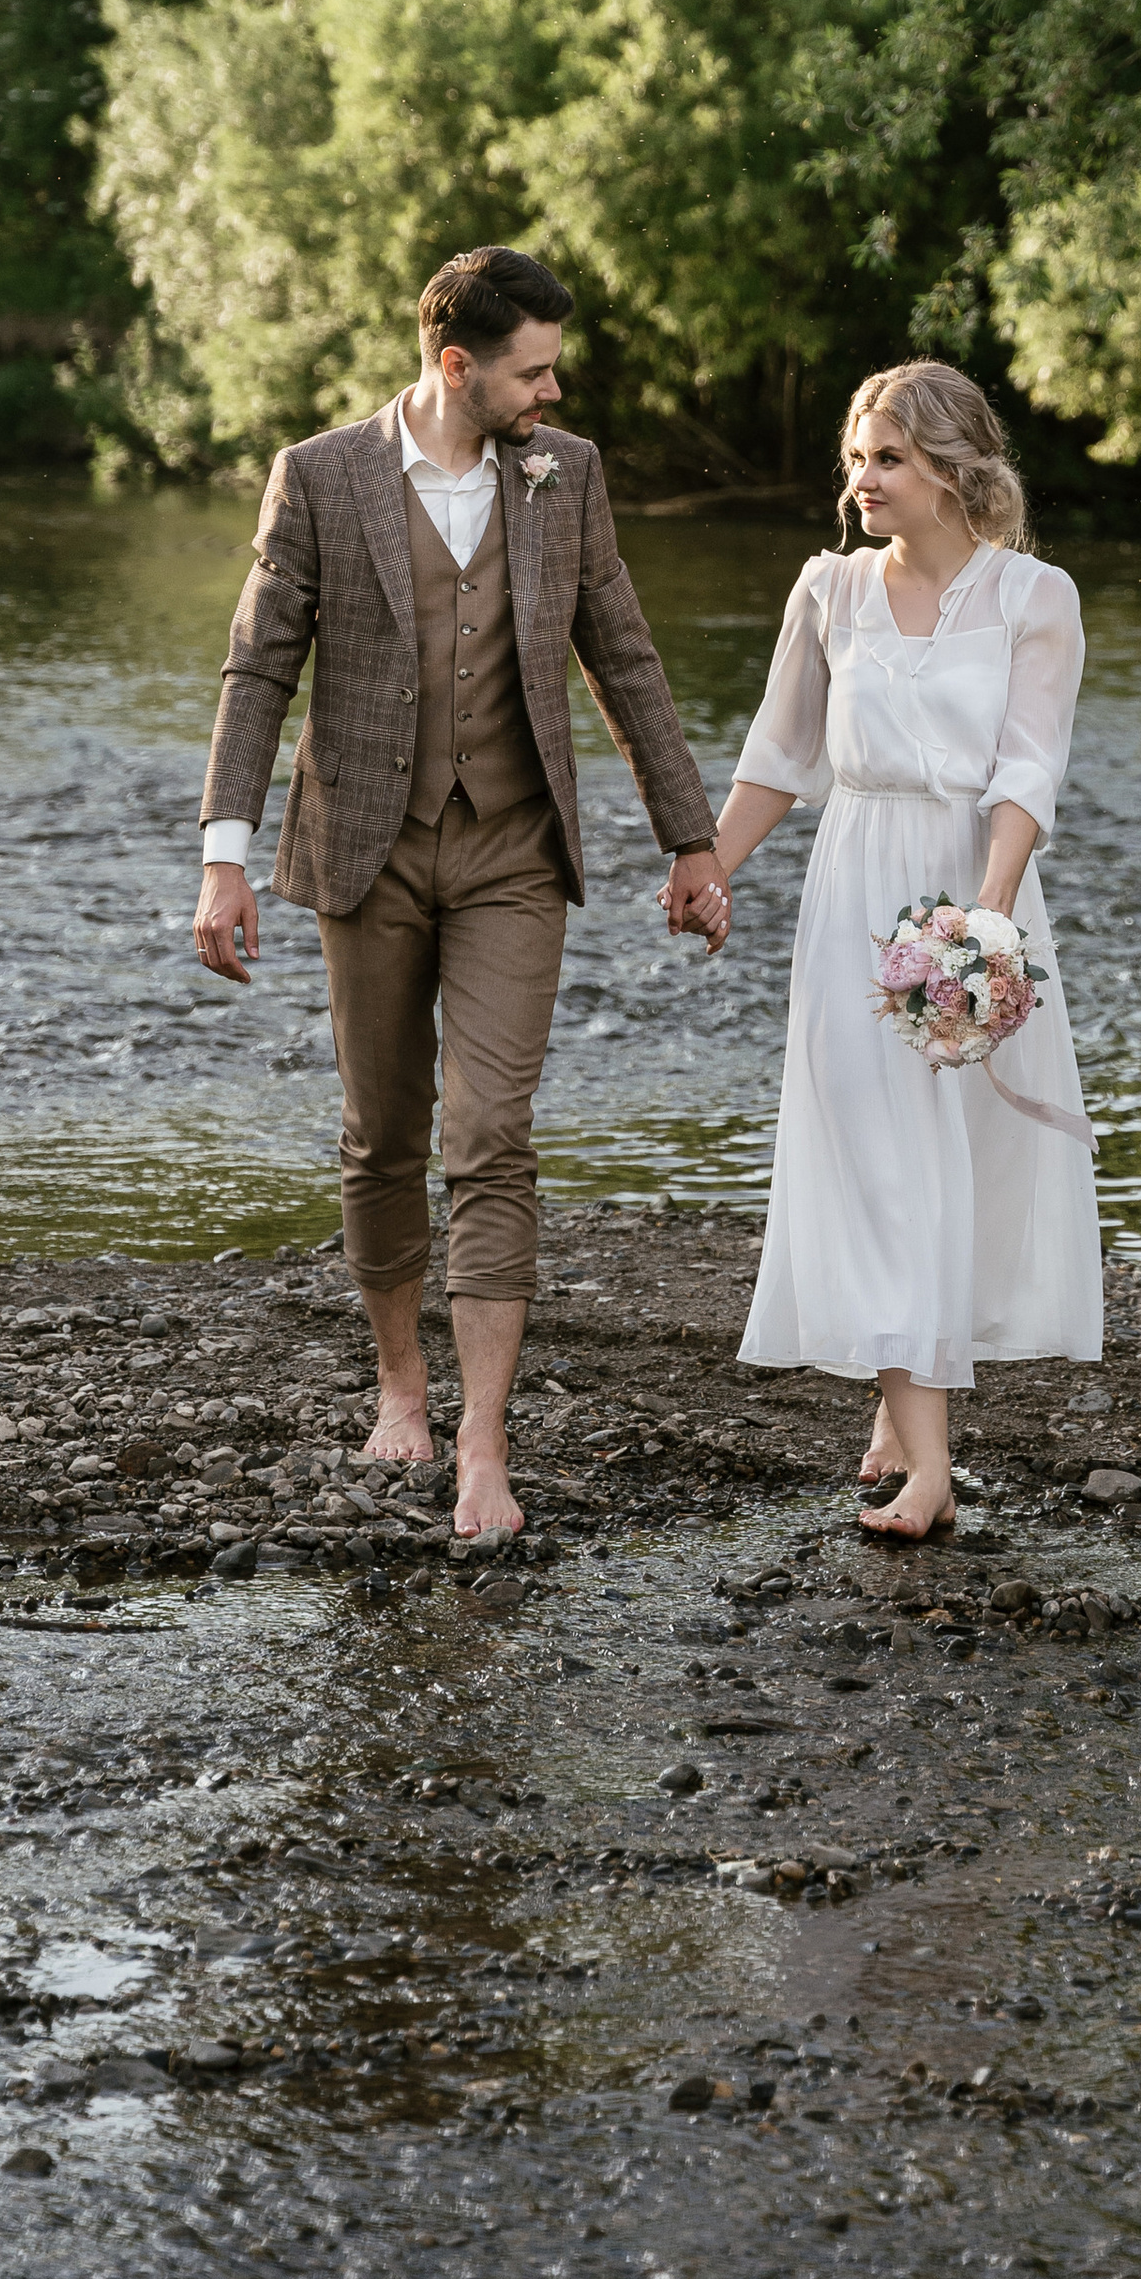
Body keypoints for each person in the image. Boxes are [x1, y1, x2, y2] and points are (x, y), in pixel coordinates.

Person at [190, 243, 728, 1536]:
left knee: (491, 1135)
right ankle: (400, 1386)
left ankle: (485, 1438)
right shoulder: (322, 476)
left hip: (513, 852)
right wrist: (223, 856)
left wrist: (691, 840)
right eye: (532, 372)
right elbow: (259, 669)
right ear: (454, 364)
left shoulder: (566, 474)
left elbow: (625, 657)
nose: (553, 392)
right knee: (382, 1132)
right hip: (364, 851)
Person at [709, 362, 1099, 1539]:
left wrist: (984, 927)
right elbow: (779, 757)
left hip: (975, 888)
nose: (862, 480)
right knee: (878, 1160)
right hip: (852, 894)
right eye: (857, 458)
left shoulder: (1033, 597)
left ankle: (901, 1401)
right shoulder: (828, 589)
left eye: (887, 458)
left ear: (952, 469)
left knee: (955, 1155)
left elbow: (1028, 769)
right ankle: (928, 1465)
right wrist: (706, 870)